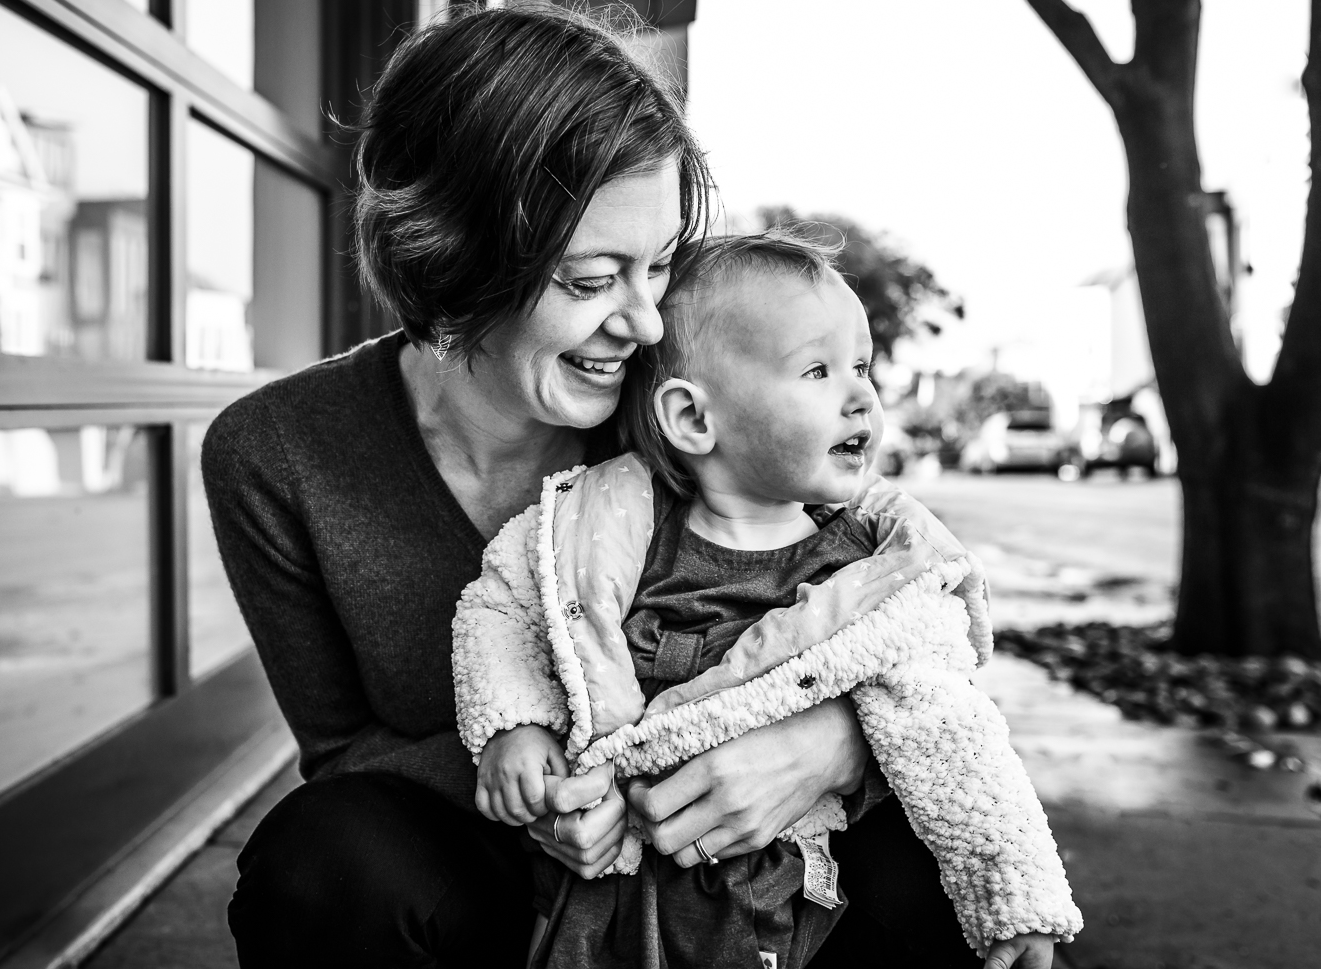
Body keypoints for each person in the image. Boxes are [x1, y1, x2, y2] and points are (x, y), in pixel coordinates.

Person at [205, 0, 997, 968]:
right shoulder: (275, 455)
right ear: (452, 254)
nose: (649, 324)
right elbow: (345, 754)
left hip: (760, 880)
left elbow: (910, 604)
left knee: (937, 866)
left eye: (658, 266)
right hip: (503, 884)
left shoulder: (687, 406)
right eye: (591, 282)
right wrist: (552, 786)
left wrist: (835, 744)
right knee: (318, 863)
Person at [454, 232, 1083, 969]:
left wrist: (1014, 904)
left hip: (775, 925)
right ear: (693, 419)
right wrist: (513, 728)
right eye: (817, 370)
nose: (861, 396)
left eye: (861, 367)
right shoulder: (595, 530)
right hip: (600, 911)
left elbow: (959, 749)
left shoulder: (875, 582)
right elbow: (501, 608)